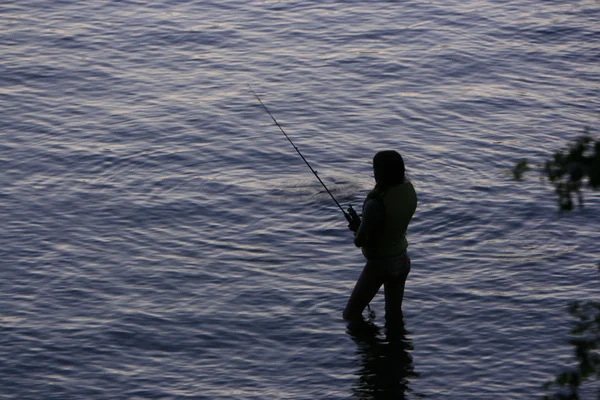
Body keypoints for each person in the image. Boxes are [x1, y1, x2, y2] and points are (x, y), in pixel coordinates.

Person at [343, 150, 417, 324]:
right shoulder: (408, 190)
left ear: (381, 172)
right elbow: (390, 224)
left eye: (375, 169)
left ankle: (371, 349)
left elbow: (359, 241)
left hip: (380, 265)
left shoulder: (375, 203)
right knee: (394, 315)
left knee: (350, 316)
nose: (373, 173)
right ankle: (396, 348)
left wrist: (357, 228)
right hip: (402, 260)